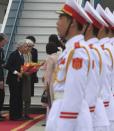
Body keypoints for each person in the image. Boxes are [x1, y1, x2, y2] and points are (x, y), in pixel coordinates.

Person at [46, 0, 94, 130]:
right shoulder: (70, 50)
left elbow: (74, 92)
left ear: (72, 23)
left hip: (70, 118)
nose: (57, 23)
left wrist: (65, 124)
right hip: (61, 111)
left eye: (61, 18)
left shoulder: (77, 52)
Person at [84, 2, 110, 131]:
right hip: (101, 105)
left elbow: (97, 83)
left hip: (96, 108)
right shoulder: (101, 48)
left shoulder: (95, 50)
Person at [5, 41, 27, 120]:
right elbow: (8, 66)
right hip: (13, 79)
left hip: (19, 79)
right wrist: (16, 73)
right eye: (25, 47)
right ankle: (14, 116)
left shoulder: (21, 55)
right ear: (20, 47)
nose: (26, 48)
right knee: (14, 97)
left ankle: (19, 114)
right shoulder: (13, 54)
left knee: (19, 97)